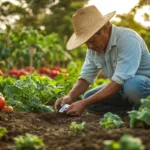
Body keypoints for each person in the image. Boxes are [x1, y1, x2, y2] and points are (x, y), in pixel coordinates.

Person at [54, 5, 150, 116]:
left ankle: (143, 109)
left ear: (105, 29)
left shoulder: (127, 39)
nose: (89, 46)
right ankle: (135, 112)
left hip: (142, 85)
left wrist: (83, 103)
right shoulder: (93, 49)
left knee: (133, 86)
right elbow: (85, 77)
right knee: (90, 100)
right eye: (86, 43)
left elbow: (119, 80)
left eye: (92, 41)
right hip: (124, 88)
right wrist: (70, 96)